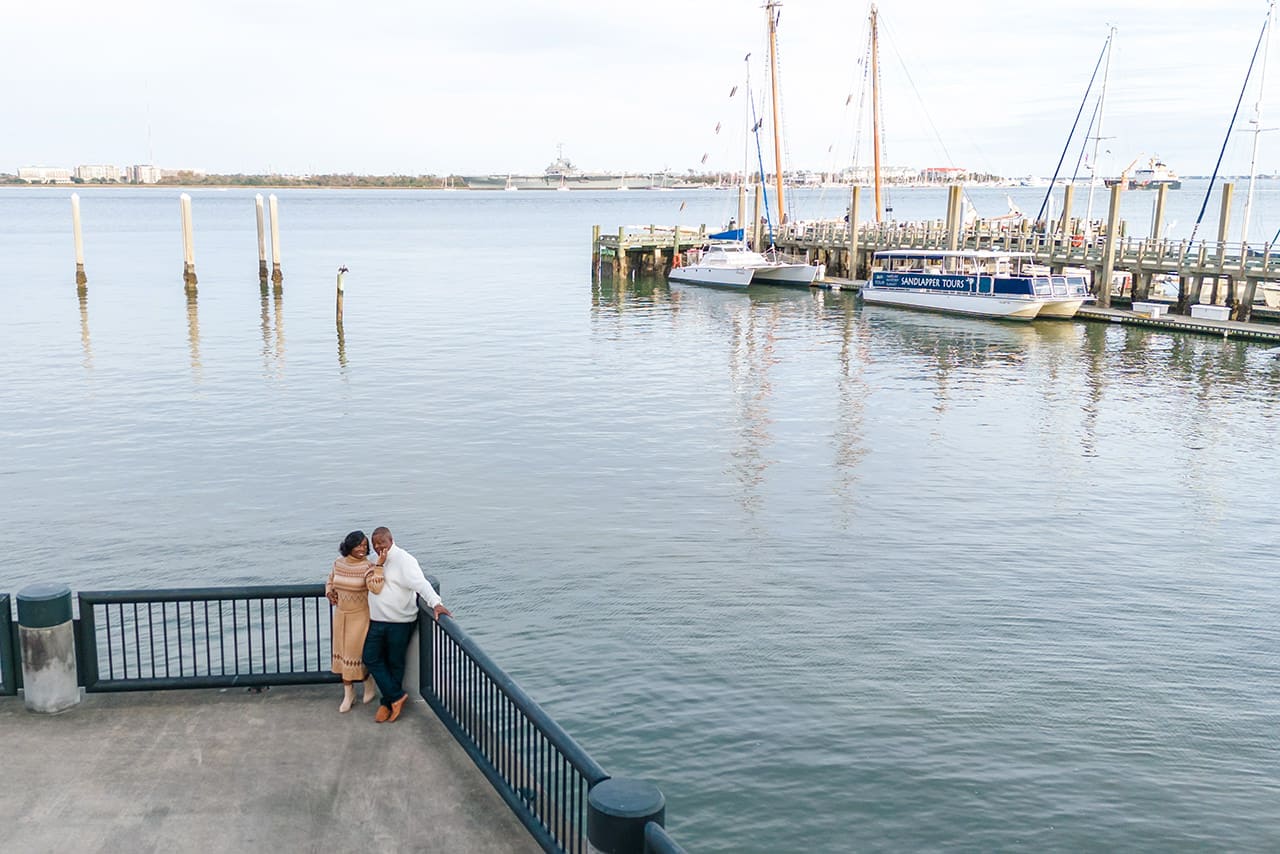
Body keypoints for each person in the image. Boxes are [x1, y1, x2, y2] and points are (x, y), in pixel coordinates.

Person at [363, 526, 451, 723]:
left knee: (395, 662)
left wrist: (436, 603)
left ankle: (387, 703)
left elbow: (421, 584)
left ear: (391, 540)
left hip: (399, 622)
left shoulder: (405, 560)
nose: (378, 547)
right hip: (377, 620)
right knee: (370, 657)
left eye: (382, 543)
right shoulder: (374, 560)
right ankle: (396, 697)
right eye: (375, 544)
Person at [326, 530, 385, 712]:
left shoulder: (368, 566)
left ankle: (368, 682)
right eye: (359, 545)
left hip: (360, 617)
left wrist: (379, 566)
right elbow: (330, 580)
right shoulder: (338, 563)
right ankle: (348, 693)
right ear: (349, 546)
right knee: (342, 654)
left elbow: (376, 588)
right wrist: (329, 592)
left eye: (365, 546)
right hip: (340, 615)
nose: (362, 549)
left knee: (356, 654)